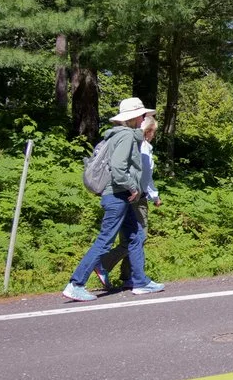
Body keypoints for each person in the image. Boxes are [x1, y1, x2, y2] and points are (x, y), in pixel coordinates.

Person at [63, 98, 164, 301]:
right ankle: (76, 283)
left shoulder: (118, 135)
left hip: (119, 196)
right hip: (118, 196)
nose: (145, 118)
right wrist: (132, 187)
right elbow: (118, 168)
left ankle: (140, 281)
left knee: (136, 236)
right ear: (135, 117)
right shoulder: (125, 136)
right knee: (105, 240)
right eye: (143, 115)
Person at [95, 113, 161, 289]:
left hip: (130, 194)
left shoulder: (138, 144)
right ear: (147, 131)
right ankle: (105, 264)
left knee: (132, 237)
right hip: (135, 197)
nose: (154, 135)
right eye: (153, 131)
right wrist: (149, 193)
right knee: (137, 237)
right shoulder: (143, 147)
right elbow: (144, 174)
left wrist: (153, 194)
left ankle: (128, 276)